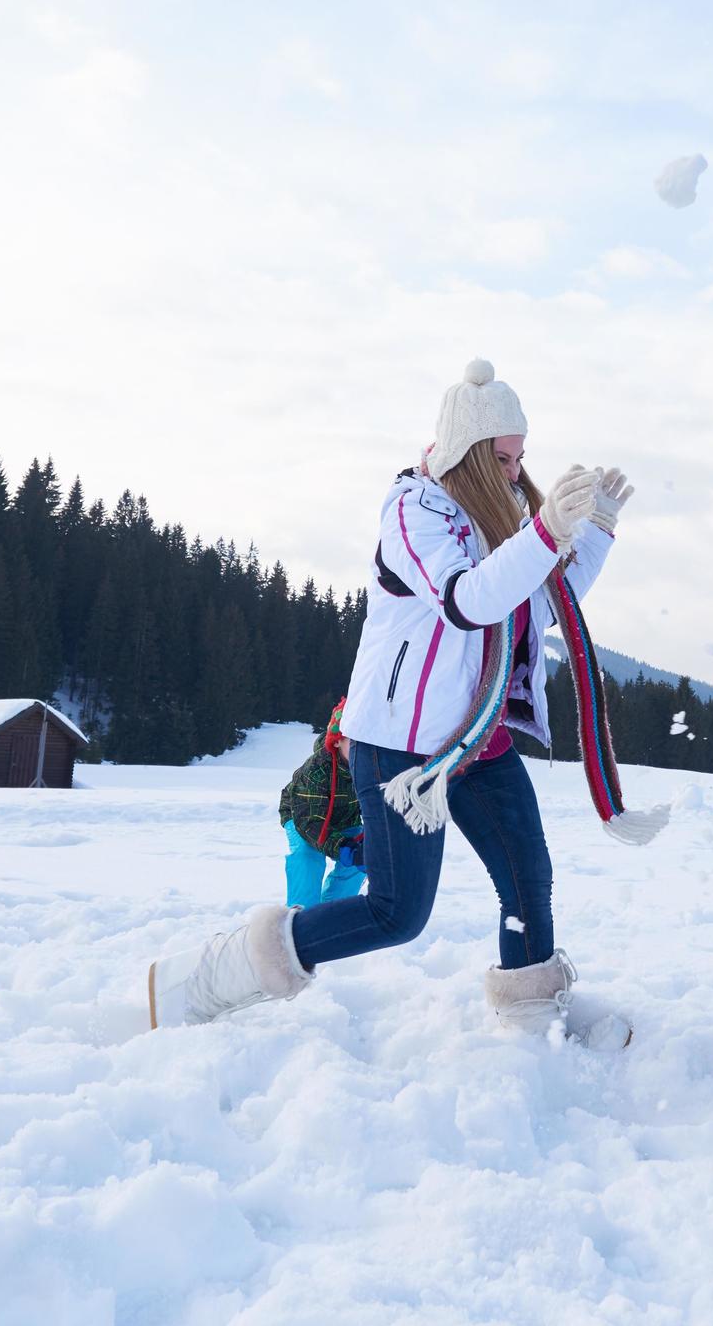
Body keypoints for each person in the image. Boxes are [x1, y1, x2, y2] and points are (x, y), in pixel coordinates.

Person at [111, 359, 660, 1045]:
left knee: (528, 876)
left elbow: (536, 606)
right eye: (504, 458)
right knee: (396, 911)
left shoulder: (505, 515)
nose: (518, 474)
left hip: (475, 737)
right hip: (402, 746)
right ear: (466, 453)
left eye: (522, 458)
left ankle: (527, 1017)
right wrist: (544, 534)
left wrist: (595, 533)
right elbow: (468, 601)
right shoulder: (413, 511)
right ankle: (208, 977)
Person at [279, 706, 367, 909]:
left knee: (363, 857)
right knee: (307, 856)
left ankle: (333, 911)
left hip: (347, 819)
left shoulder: (371, 767)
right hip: (304, 818)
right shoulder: (316, 770)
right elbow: (310, 823)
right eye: (354, 743)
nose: (362, 750)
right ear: (337, 741)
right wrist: (344, 847)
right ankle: (301, 913)